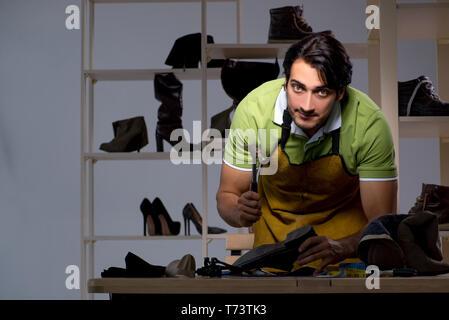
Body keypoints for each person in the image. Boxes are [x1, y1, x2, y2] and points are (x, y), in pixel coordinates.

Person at [216, 31, 398, 275]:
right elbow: (226, 195)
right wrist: (238, 212)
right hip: (272, 262)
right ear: (285, 82)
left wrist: (342, 246)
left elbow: (381, 223)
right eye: (297, 87)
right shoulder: (254, 112)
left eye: (321, 92)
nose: (306, 106)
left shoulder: (368, 124)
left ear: (340, 93)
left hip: (347, 262)